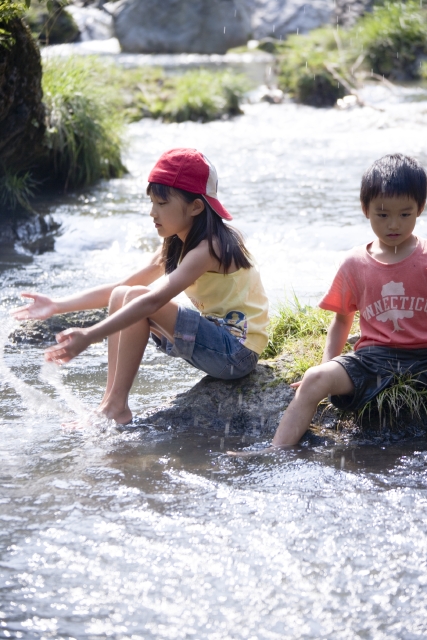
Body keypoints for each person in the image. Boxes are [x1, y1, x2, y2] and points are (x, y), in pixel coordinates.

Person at [12, 148, 269, 425]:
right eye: (151, 202)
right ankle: (111, 404)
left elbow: (150, 302)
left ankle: (115, 407)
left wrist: (90, 334)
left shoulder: (208, 248)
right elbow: (121, 288)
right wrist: (58, 305)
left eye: (161, 203)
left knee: (138, 298)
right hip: (214, 343)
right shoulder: (177, 244)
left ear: (196, 206)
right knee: (124, 295)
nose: (152, 212)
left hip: (236, 353)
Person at [265, 153, 427, 449]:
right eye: (382, 214)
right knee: (314, 378)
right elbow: (342, 320)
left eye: (405, 214)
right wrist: (328, 367)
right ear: (365, 210)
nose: (394, 224)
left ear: (421, 208)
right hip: (373, 359)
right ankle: (275, 452)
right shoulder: (355, 263)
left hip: (424, 355)